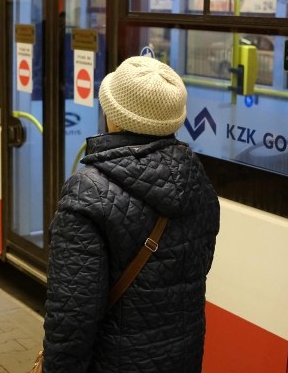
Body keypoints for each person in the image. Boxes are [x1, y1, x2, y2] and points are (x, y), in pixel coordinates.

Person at [42, 56, 220, 372]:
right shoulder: (197, 181)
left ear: (114, 115)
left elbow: (72, 317)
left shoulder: (87, 191)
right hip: (183, 357)